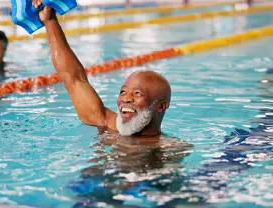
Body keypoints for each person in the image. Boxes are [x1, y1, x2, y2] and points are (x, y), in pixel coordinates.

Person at [33, 0, 173, 143]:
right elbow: (74, 79)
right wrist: (50, 20)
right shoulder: (107, 123)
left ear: (161, 106)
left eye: (137, 93)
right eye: (123, 92)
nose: (125, 99)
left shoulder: (168, 149)